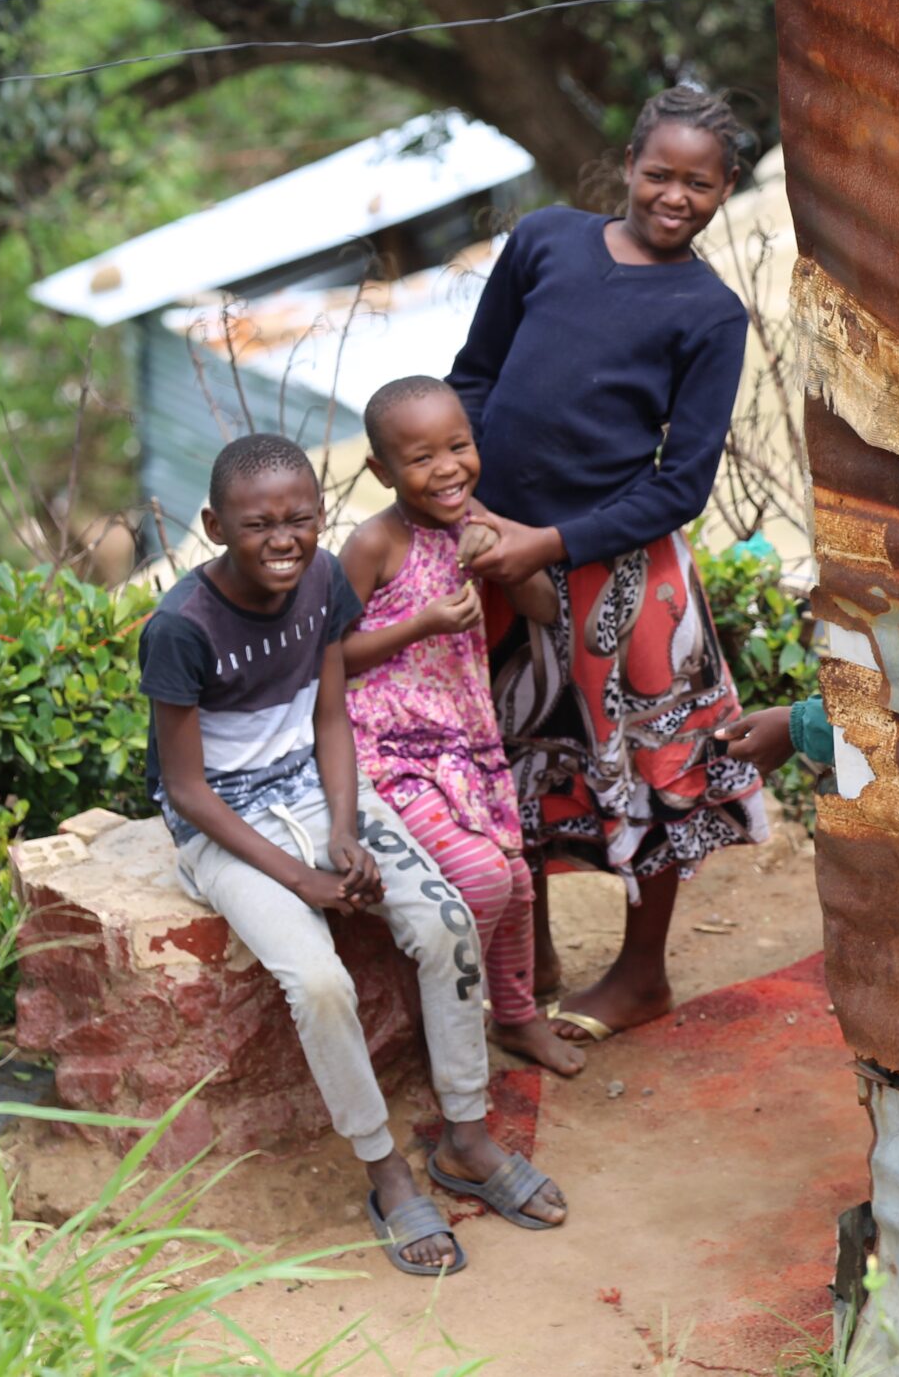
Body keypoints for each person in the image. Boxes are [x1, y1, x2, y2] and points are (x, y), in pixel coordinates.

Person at [141, 433, 568, 1275]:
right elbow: (186, 790)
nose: (283, 539)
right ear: (214, 524)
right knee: (320, 979)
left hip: (318, 789)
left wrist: (344, 827)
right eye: (258, 523)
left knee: (446, 922)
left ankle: (468, 1138)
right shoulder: (180, 628)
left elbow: (331, 716)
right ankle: (385, 1169)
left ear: (321, 515)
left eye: (300, 518)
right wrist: (301, 876)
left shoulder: (325, 581)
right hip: (224, 821)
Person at [450, 86, 768, 1045]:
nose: (676, 196)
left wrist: (549, 543)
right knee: (516, 754)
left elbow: (682, 484)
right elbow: (474, 373)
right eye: (660, 174)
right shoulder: (545, 239)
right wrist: (467, 509)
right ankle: (533, 955)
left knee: (659, 764)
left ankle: (640, 973)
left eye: (699, 185)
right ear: (627, 163)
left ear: (726, 191)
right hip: (493, 552)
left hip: (623, 582)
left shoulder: (710, 314)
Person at [339, 376, 585, 1079]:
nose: (446, 467)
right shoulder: (372, 544)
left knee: (516, 879)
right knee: (481, 880)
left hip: (467, 744)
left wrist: (502, 559)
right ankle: (436, 1013)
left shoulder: (477, 519)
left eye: (458, 446)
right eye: (420, 457)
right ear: (382, 470)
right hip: (390, 753)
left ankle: (514, 1018)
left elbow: (541, 606)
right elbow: (327, 654)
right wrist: (420, 623)